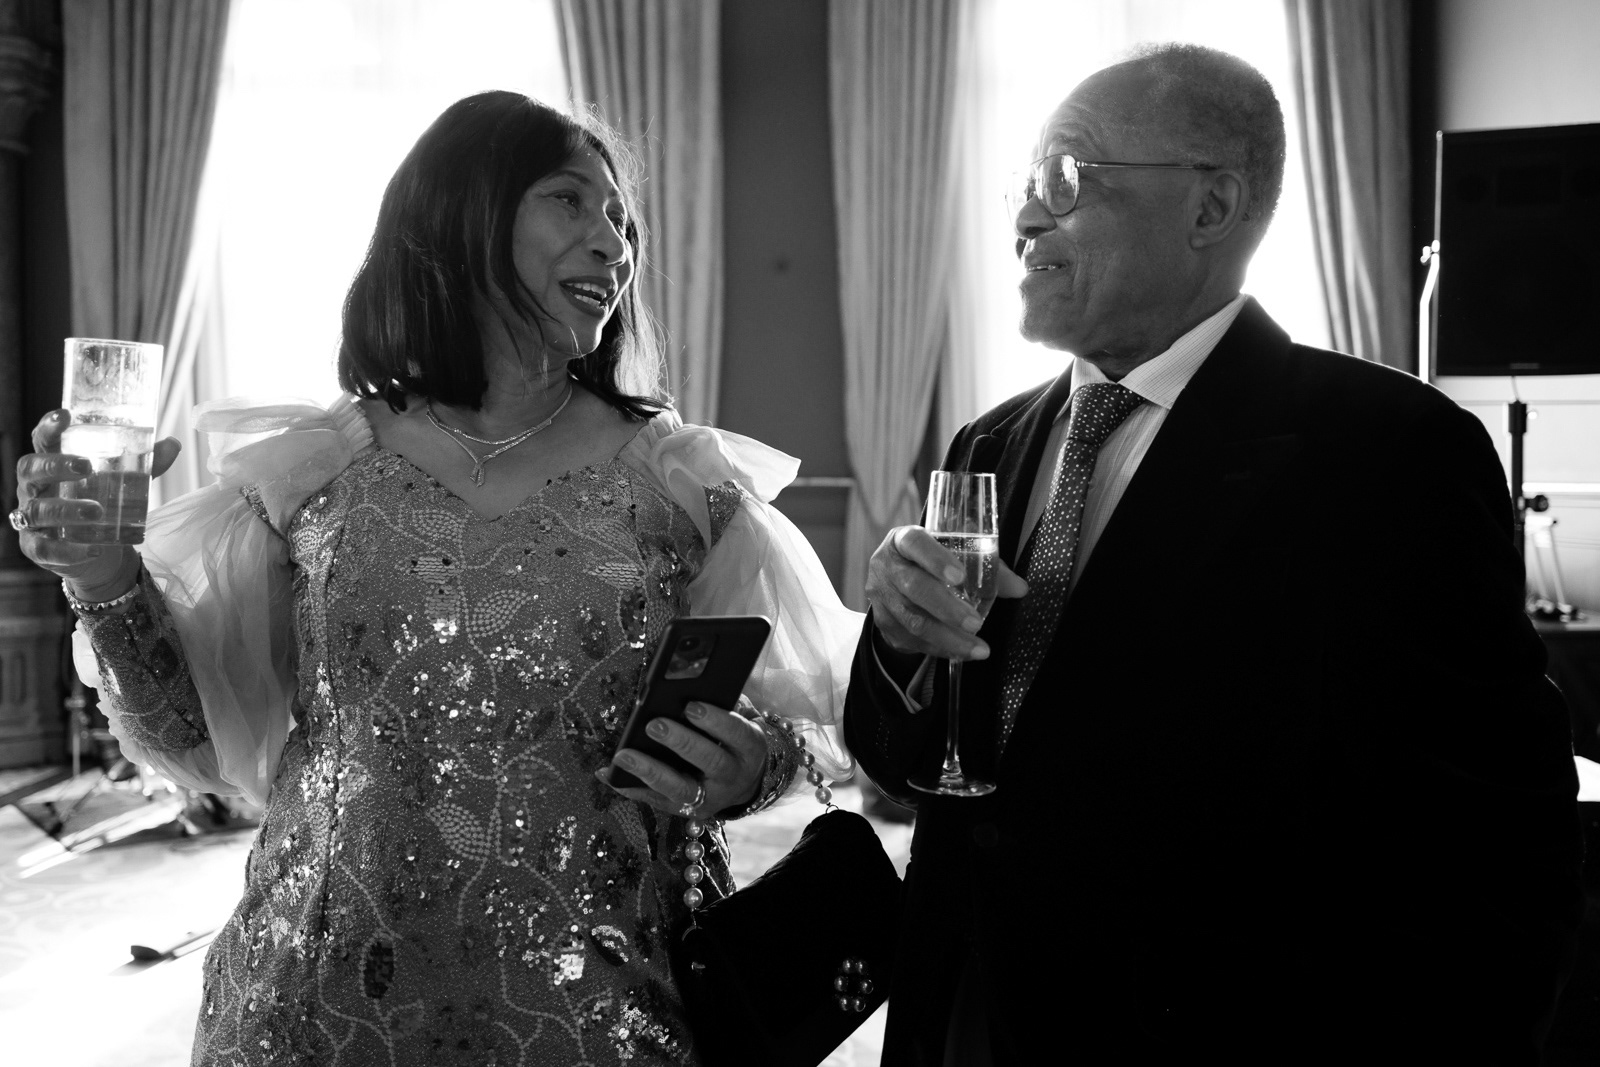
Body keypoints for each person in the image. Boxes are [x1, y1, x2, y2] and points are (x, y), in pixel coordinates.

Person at [12, 92, 861, 1066]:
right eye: (570, 200)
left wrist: (753, 769)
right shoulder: (313, 468)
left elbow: (800, 730)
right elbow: (188, 734)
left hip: (599, 1018)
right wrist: (101, 574)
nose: (614, 245)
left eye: (622, 221)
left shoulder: (684, 484)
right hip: (315, 1009)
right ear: (461, 212)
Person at [845, 43, 1584, 1065]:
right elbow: (901, 759)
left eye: (1065, 178)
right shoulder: (988, 446)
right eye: (1026, 182)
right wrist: (895, 640)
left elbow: (1499, 839)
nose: (1024, 217)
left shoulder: (1387, 453)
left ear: (1211, 207)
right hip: (964, 1015)